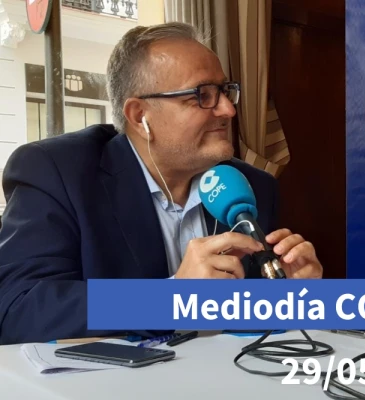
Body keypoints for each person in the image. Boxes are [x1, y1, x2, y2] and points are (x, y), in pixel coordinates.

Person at [0, 23, 322, 345]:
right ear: (139, 115)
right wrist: (169, 299)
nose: (228, 109)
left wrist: (294, 299)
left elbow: (254, 318)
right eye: (202, 95)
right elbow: (18, 308)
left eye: (226, 91)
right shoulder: (56, 172)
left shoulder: (254, 186)